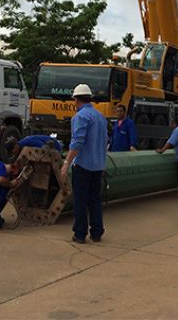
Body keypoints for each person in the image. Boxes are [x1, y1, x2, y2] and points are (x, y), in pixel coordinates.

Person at [60, 84, 108, 244]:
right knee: (95, 200)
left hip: (83, 166)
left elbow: (77, 142)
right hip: (98, 165)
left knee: (80, 201)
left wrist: (66, 162)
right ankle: (97, 232)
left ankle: (80, 234)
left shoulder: (80, 117)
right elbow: (104, 141)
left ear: (75, 99)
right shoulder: (100, 117)